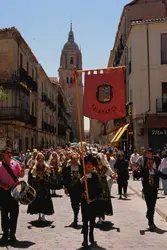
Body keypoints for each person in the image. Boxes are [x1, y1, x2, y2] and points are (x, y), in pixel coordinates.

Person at [0, 147, 25, 245]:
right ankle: (5, 233)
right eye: (7, 153)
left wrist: (22, 169)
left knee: (14, 213)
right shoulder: (0, 166)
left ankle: (12, 234)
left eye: (11, 152)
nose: (10, 154)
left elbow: (21, 175)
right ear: (3, 154)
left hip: (15, 191)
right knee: (4, 214)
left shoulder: (16, 164)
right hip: (3, 192)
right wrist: (3, 186)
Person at [80, 154, 102, 247]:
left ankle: (91, 235)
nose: (88, 165)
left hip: (93, 202)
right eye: (87, 163)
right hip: (84, 202)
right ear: (84, 165)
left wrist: (92, 198)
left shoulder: (95, 176)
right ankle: (85, 239)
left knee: (92, 221)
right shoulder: (82, 175)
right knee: (85, 221)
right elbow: (75, 188)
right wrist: (81, 181)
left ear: (93, 166)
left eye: (90, 164)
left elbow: (99, 189)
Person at [139, 157, 167, 231]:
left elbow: (164, 176)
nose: (150, 164)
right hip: (147, 192)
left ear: (153, 163)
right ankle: (151, 223)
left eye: (151, 163)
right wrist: (136, 171)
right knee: (150, 206)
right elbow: (137, 175)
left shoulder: (156, 171)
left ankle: (150, 218)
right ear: (147, 164)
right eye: (148, 163)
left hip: (154, 192)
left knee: (152, 207)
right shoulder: (144, 171)